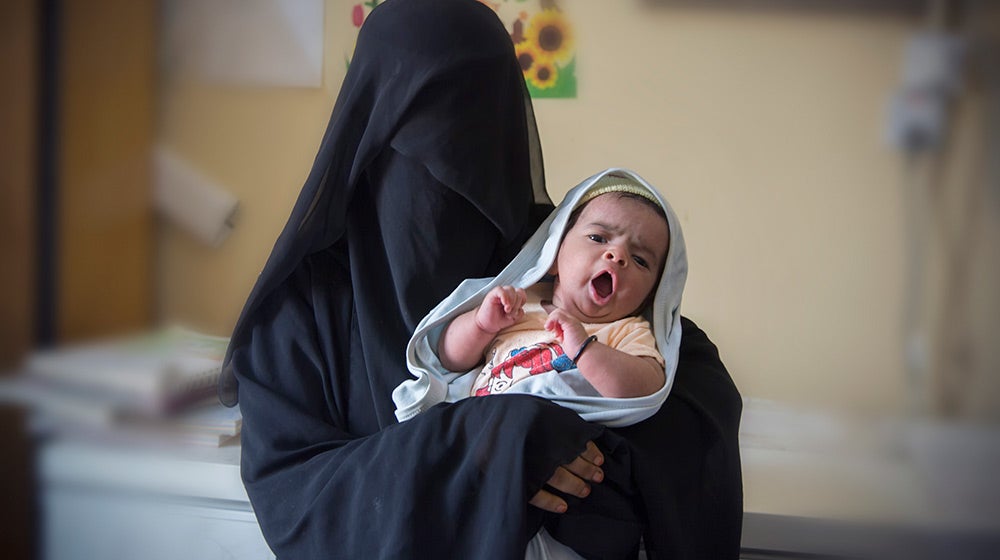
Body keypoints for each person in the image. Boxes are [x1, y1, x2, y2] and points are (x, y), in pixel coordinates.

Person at [219, 0, 743, 558]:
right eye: (414, 139)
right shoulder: (300, 312)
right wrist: (479, 445)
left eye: (471, 142)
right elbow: (297, 499)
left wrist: (561, 446)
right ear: (370, 130)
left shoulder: (544, 270)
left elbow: (691, 400)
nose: (446, 173)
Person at [394, 170, 688, 430]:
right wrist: (481, 324)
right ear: (553, 256)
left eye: (639, 259)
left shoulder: (629, 330)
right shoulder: (520, 303)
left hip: (546, 434)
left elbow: (645, 391)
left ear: (652, 294)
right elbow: (449, 358)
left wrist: (585, 349)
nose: (618, 256)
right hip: (479, 425)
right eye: (598, 238)